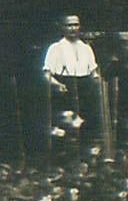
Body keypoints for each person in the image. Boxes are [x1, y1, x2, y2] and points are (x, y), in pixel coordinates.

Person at [43, 14, 100, 157]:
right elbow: (46, 74)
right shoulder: (55, 48)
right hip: (64, 87)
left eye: (75, 25)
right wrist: (57, 85)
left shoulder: (86, 48)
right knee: (65, 124)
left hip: (84, 88)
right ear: (62, 27)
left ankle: (85, 155)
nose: (73, 28)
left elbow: (93, 71)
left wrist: (96, 81)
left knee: (86, 123)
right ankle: (62, 155)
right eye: (69, 25)